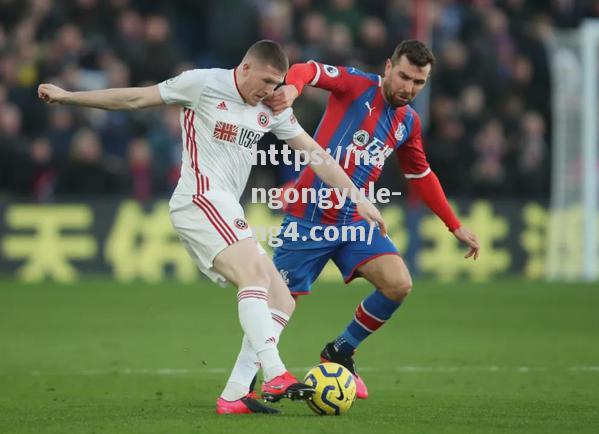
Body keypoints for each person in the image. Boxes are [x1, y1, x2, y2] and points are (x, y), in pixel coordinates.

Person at [37, 40, 386, 414]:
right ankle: (275, 373)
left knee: (281, 297)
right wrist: (68, 97)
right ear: (246, 67)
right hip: (198, 198)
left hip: (222, 206)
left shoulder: (271, 107)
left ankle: (235, 394)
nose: (271, 90)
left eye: (277, 83)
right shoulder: (203, 83)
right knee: (253, 276)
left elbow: (316, 154)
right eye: (266, 81)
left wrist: (358, 198)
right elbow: (136, 99)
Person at [234, 39, 481, 399]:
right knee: (276, 306)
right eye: (404, 77)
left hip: (355, 222)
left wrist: (454, 224)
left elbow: (421, 175)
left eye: (418, 82)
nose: (408, 88)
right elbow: (309, 69)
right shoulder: (356, 85)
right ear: (388, 67)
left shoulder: (408, 122)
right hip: (310, 217)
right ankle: (246, 382)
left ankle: (340, 350)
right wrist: (292, 88)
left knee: (398, 284)